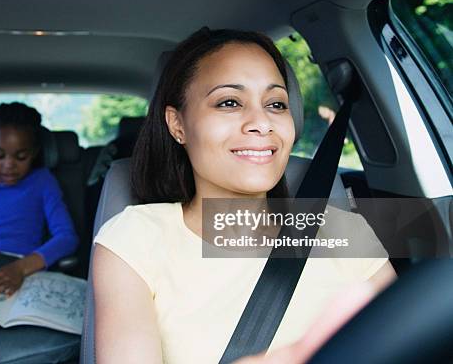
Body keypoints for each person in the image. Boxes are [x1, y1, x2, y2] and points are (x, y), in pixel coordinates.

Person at [92, 28, 396, 363]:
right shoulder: (135, 240)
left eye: (276, 104)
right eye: (229, 102)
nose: (261, 122)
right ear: (177, 124)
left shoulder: (345, 232)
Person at [0, 102, 79, 364]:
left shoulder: (42, 181)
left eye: (21, 156)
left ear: (35, 152)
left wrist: (19, 269)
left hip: (25, 270)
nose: (9, 165)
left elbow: (66, 237)